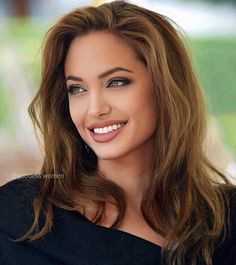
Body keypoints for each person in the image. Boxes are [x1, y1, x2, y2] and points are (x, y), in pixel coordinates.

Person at [0, 1, 235, 264]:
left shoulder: (226, 221)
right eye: (77, 89)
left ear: (165, 88)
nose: (95, 109)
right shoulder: (21, 215)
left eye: (116, 82)